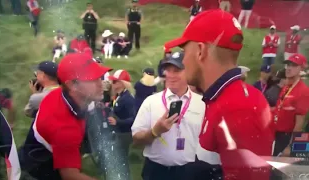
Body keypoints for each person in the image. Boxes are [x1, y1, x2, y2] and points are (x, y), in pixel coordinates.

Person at [164, 9, 274, 180]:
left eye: (185, 52)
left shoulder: (236, 108)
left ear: (200, 51)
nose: (183, 61)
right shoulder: (223, 98)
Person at [19, 53, 112, 180]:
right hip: (41, 173)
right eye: (92, 79)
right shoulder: (64, 128)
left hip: (35, 157)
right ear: (73, 85)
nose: (101, 84)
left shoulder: (61, 94)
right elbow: (70, 175)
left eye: (100, 77)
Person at [132, 51, 221, 180]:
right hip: (156, 171)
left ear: (189, 72)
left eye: (177, 70)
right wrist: (155, 131)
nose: (170, 75)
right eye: (168, 70)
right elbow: (136, 140)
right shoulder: (151, 102)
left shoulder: (202, 103)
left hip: (189, 172)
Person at [271, 54, 309, 156]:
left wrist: (290, 146)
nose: (288, 68)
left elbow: (299, 123)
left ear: (301, 68)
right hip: (276, 134)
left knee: (279, 169)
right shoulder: (287, 86)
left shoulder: (303, 90)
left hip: (286, 138)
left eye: (293, 65)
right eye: (288, 65)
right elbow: (281, 108)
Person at [107, 69, 136, 179]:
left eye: (114, 82)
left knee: (122, 159)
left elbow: (134, 119)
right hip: (119, 132)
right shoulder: (120, 96)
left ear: (122, 83)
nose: (112, 84)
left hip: (124, 134)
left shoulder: (128, 99)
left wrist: (118, 122)